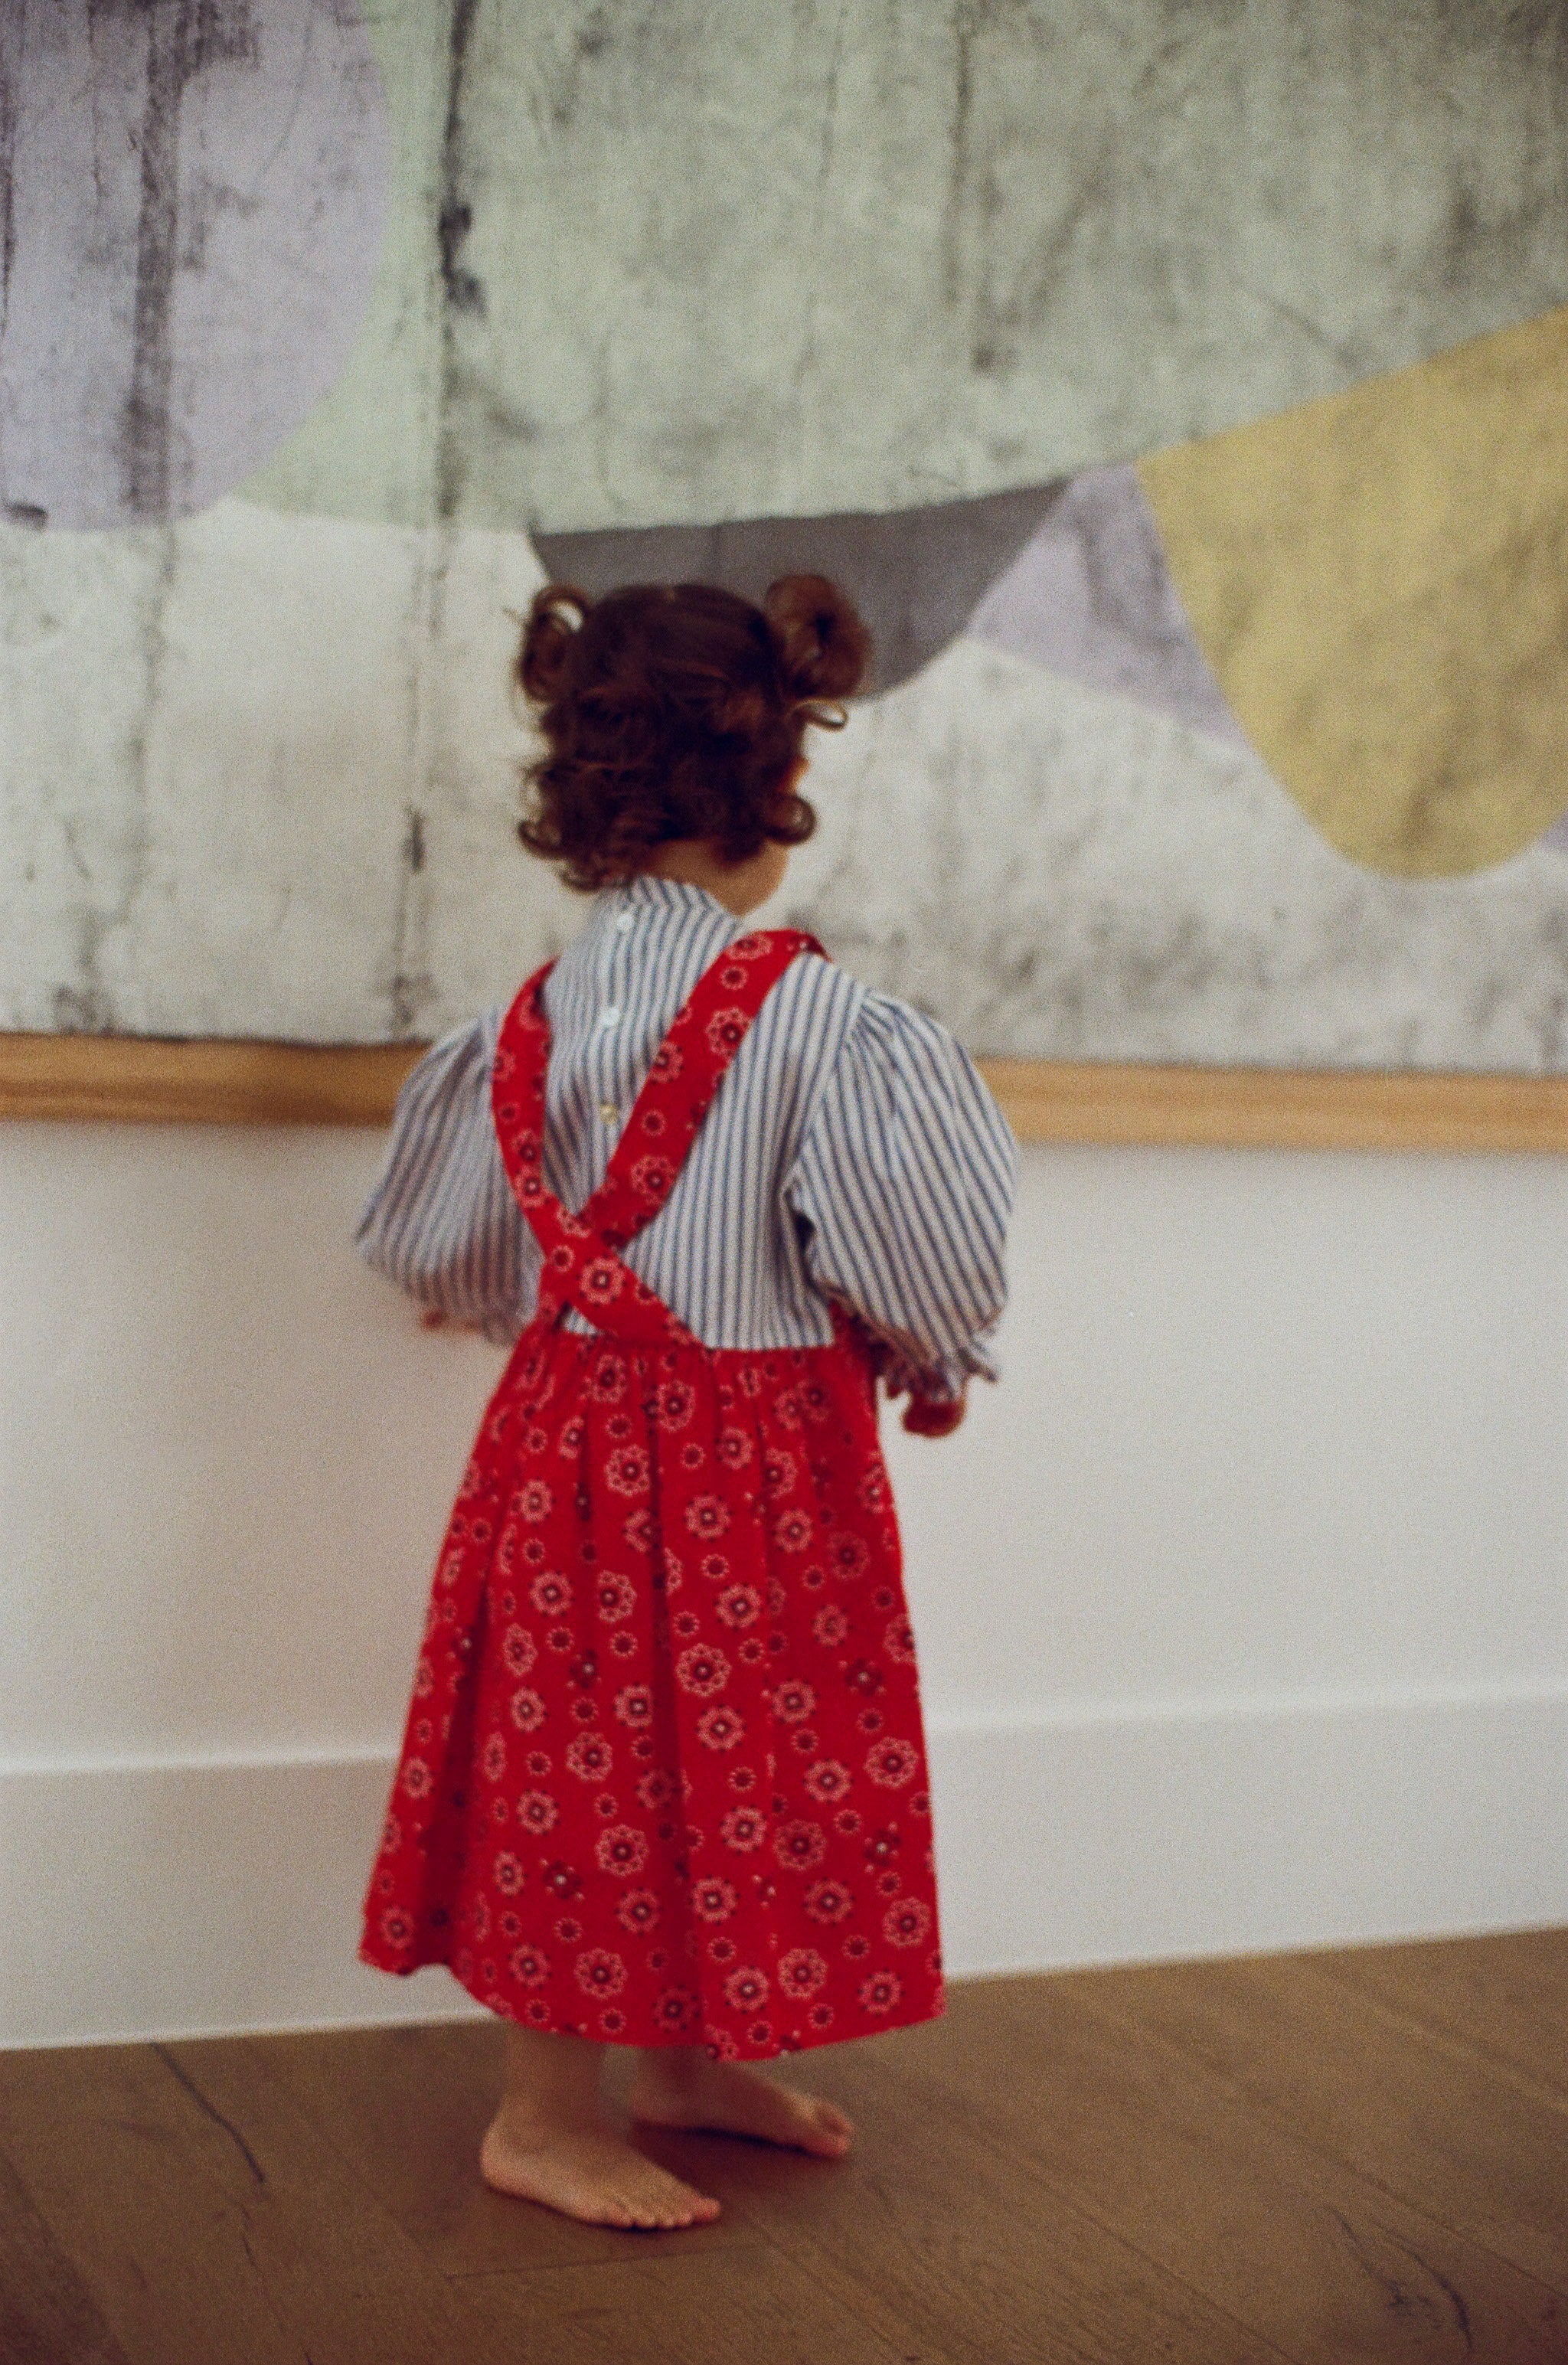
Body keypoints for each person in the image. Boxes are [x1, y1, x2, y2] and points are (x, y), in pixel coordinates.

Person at [356, 573, 1016, 2229]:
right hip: (757, 1454)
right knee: (737, 1752)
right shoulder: (816, 1019)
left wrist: (518, 1298)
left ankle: (678, 2065)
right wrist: (927, 1352)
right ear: (774, 777)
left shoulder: (532, 1018)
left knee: (578, 1756)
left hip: (562, 1440)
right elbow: (931, 1261)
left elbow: (439, 1244)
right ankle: (539, 2118)